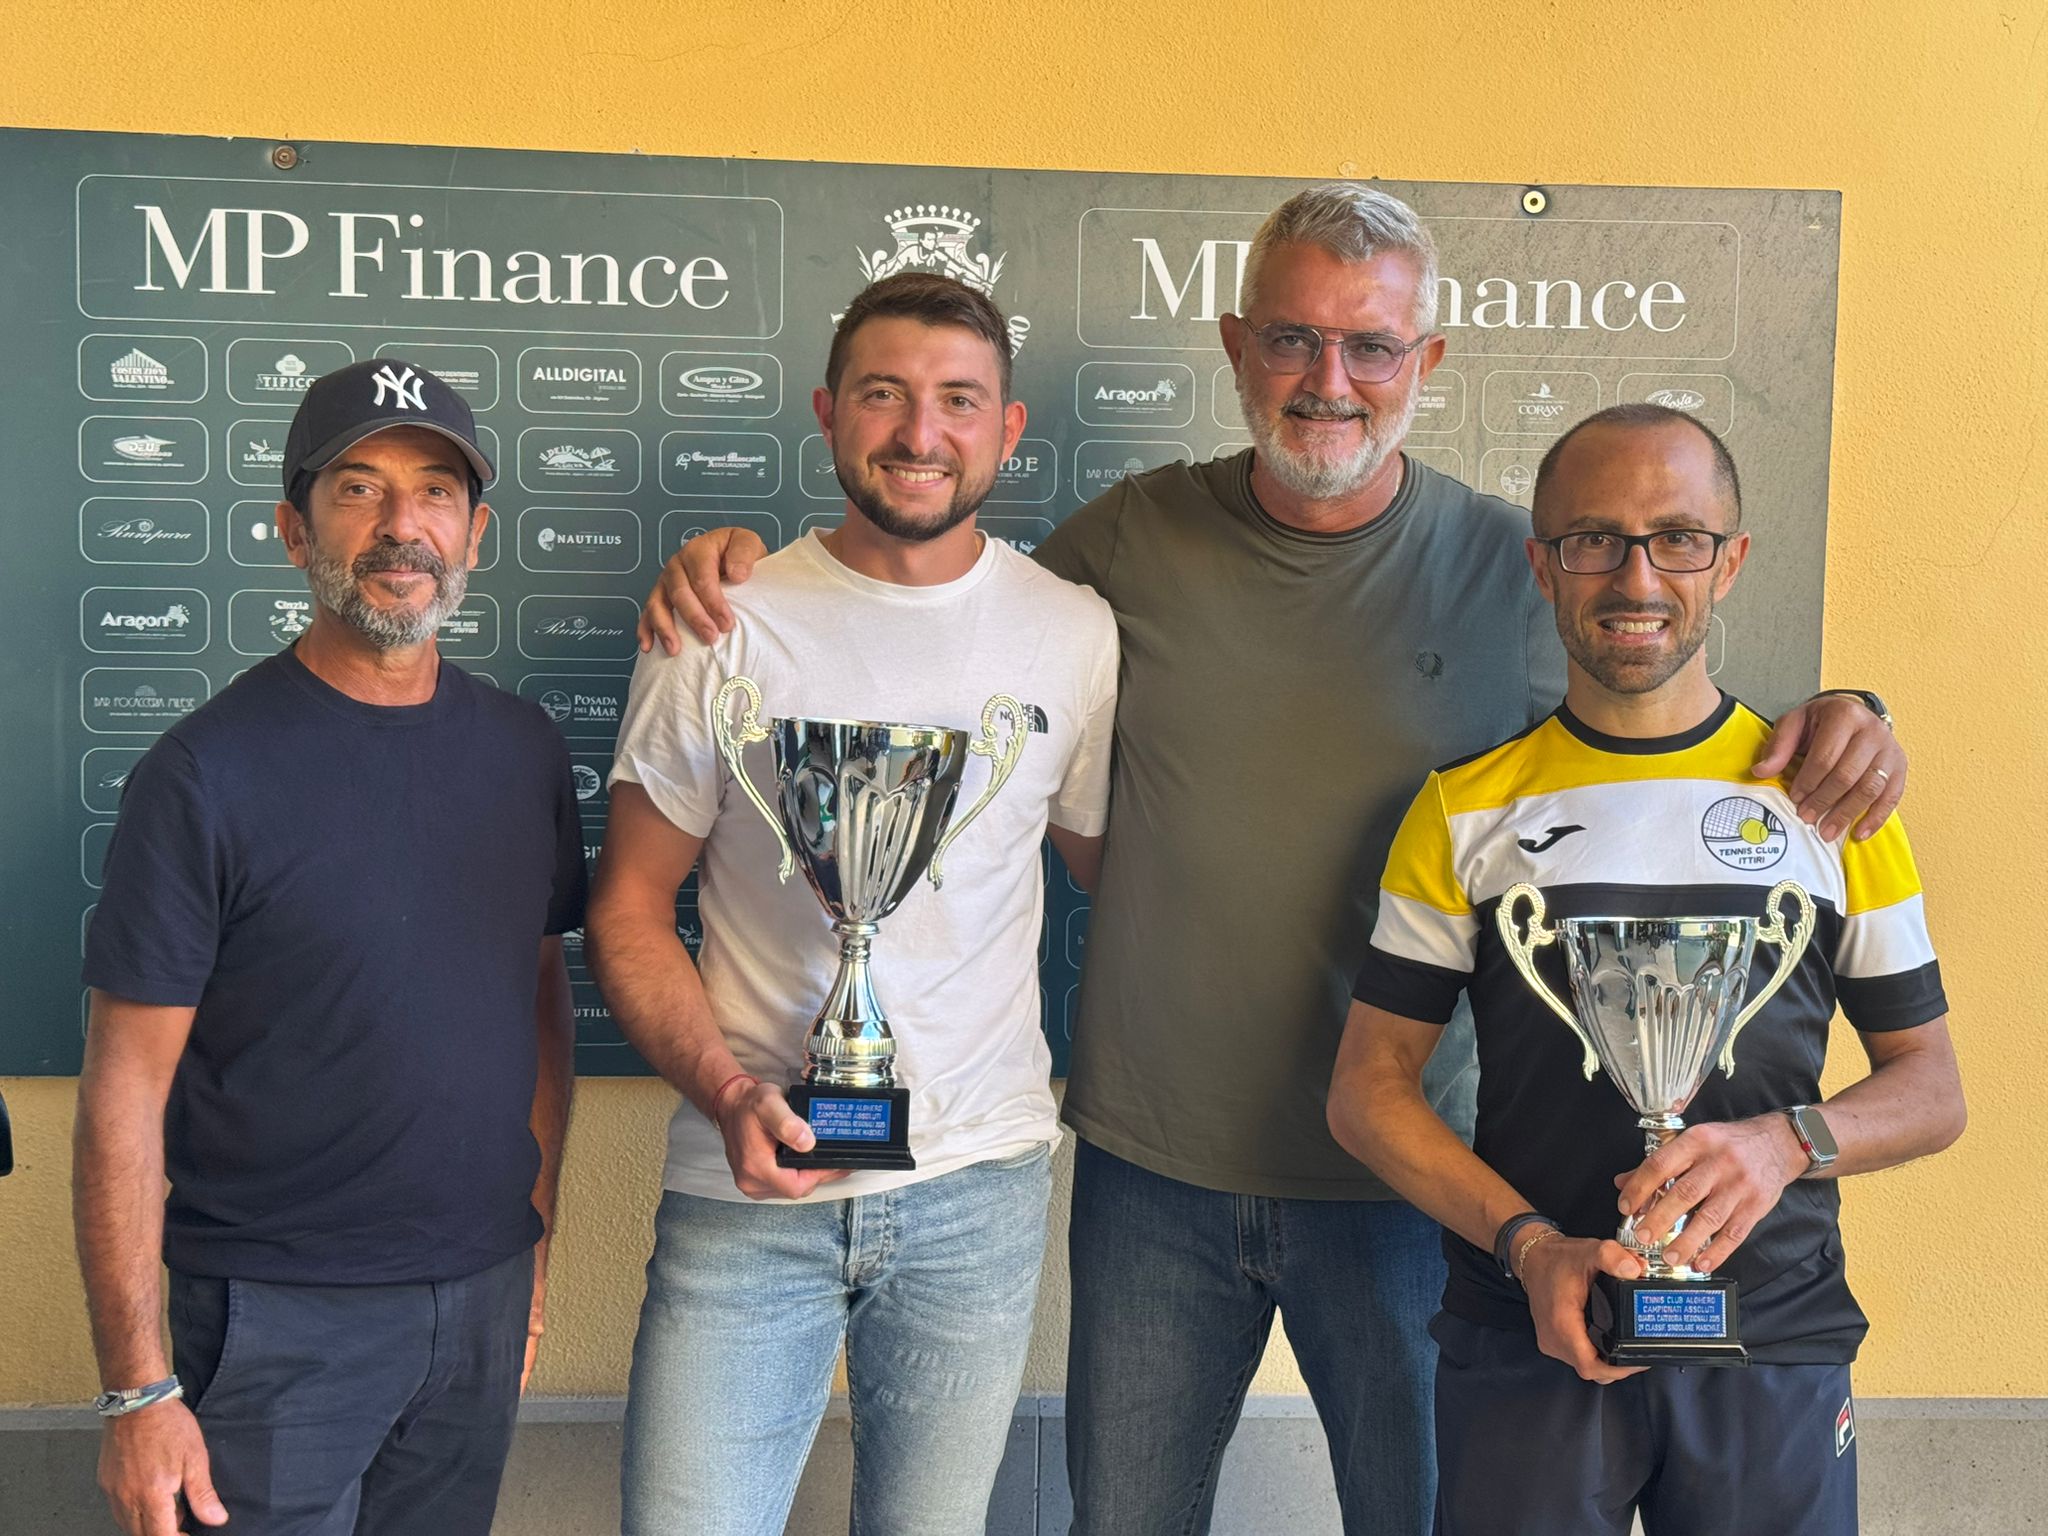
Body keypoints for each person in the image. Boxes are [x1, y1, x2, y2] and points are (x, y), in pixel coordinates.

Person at [635, 184, 1907, 1534]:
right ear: (1239, 348)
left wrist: (1853, 719)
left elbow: (1684, 699)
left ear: (1425, 366)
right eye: (1294, 340)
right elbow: (929, 607)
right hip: (1153, 1177)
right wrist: (742, 571)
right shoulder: (1127, 544)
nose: (1328, 382)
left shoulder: (1520, 562)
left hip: (1416, 1189)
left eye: (1370, 348)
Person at [1330, 404, 1963, 1535]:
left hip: (1772, 1338)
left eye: (1676, 538)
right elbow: (1367, 1093)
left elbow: (1930, 1092)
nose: (1635, 576)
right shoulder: (1461, 810)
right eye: (1592, 539)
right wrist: (1527, 1248)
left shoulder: (1829, 804)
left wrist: (1783, 1144)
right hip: (1526, 1336)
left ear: (1729, 563)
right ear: (1542, 564)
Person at [587, 272, 1118, 1535]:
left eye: (956, 401)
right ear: (829, 413)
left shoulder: (1074, 634)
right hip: (745, 1190)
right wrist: (728, 1096)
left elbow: (1111, 871)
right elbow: (626, 908)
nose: (917, 434)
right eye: (883, 394)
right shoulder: (719, 623)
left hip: (976, 1191)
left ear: (1007, 428)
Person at [75, 360, 585, 1536]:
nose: (400, 527)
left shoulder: (523, 751)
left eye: (435, 492)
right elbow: (123, 1090)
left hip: (483, 1297)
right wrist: (138, 1389)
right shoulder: (205, 774)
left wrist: (537, 1245)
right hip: (270, 1320)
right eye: (357, 490)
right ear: (292, 529)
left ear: (476, 533)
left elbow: (538, 1001)